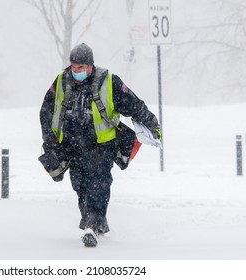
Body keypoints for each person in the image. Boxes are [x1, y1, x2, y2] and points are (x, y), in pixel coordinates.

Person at [39, 43, 161, 247]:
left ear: (90, 66)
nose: (75, 71)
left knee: (100, 186)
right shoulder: (61, 81)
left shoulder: (108, 81)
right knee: (80, 187)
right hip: (72, 147)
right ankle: (94, 222)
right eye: (73, 67)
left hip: (101, 147)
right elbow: (46, 111)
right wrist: (50, 140)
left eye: (80, 68)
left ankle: (92, 224)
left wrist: (152, 123)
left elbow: (133, 104)